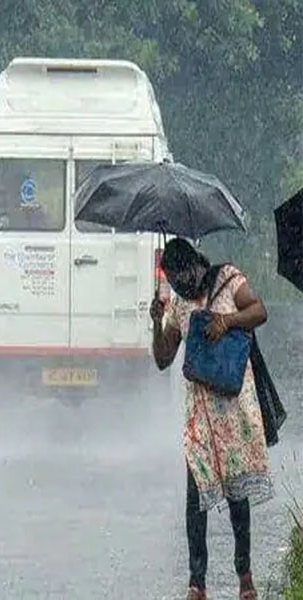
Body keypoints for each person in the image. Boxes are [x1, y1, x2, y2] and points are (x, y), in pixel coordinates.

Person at [150, 238, 272, 600]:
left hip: (233, 409)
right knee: (195, 498)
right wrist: (157, 324)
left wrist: (226, 320)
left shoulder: (228, 279)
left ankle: (244, 576)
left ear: (195, 265)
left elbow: (259, 310)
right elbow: (162, 359)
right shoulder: (178, 304)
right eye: (173, 281)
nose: (180, 286)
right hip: (199, 415)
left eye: (183, 278)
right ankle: (197, 583)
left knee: (237, 496)